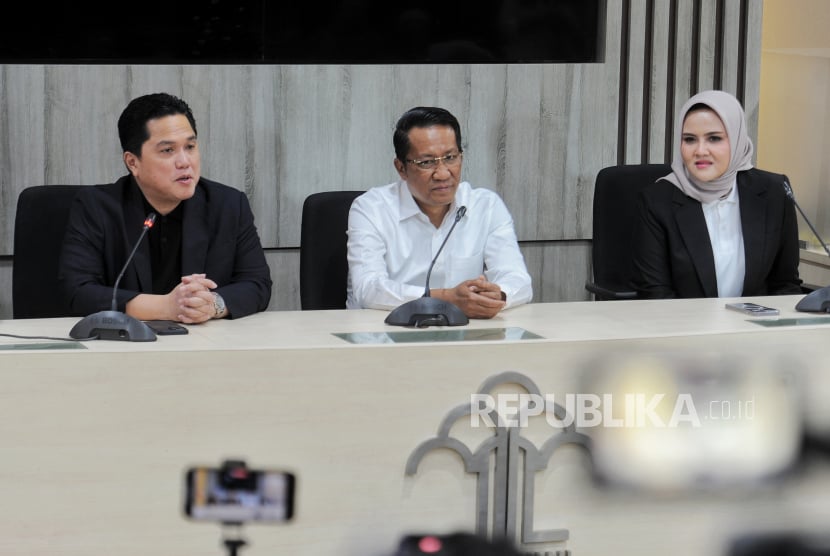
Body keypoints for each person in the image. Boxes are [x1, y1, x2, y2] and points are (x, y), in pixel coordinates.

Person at [58, 92, 272, 323]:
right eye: (168, 150)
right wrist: (166, 307)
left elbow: (257, 283)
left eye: (190, 146)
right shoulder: (97, 207)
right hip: (122, 347)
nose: (185, 162)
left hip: (204, 346)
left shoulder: (228, 204)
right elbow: (77, 291)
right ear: (133, 162)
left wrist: (212, 305)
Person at [346, 106, 532, 319]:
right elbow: (368, 289)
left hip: (464, 337)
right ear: (401, 168)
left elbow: (518, 279)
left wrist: (496, 295)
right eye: (426, 162)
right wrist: (446, 299)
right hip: (385, 335)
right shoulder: (371, 209)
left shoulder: (485, 206)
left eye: (451, 157)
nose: (443, 174)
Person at [631, 89, 802, 299]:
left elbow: (785, 284)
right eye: (690, 139)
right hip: (683, 327)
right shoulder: (656, 201)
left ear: (738, 140)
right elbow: (655, 294)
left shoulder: (774, 192)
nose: (700, 151)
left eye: (714, 138)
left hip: (754, 327)